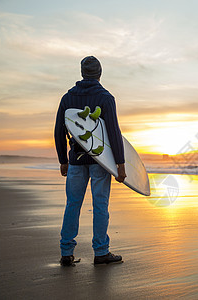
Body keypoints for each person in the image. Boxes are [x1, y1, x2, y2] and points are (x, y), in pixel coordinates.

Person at [54, 56, 127, 266]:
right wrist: (120, 164)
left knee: (72, 204)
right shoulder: (105, 98)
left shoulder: (67, 98)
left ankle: (66, 252)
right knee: (100, 204)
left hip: (75, 160)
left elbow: (60, 129)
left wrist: (62, 160)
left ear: (82, 73)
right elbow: (113, 131)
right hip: (100, 162)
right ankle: (101, 252)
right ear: (100, 73)